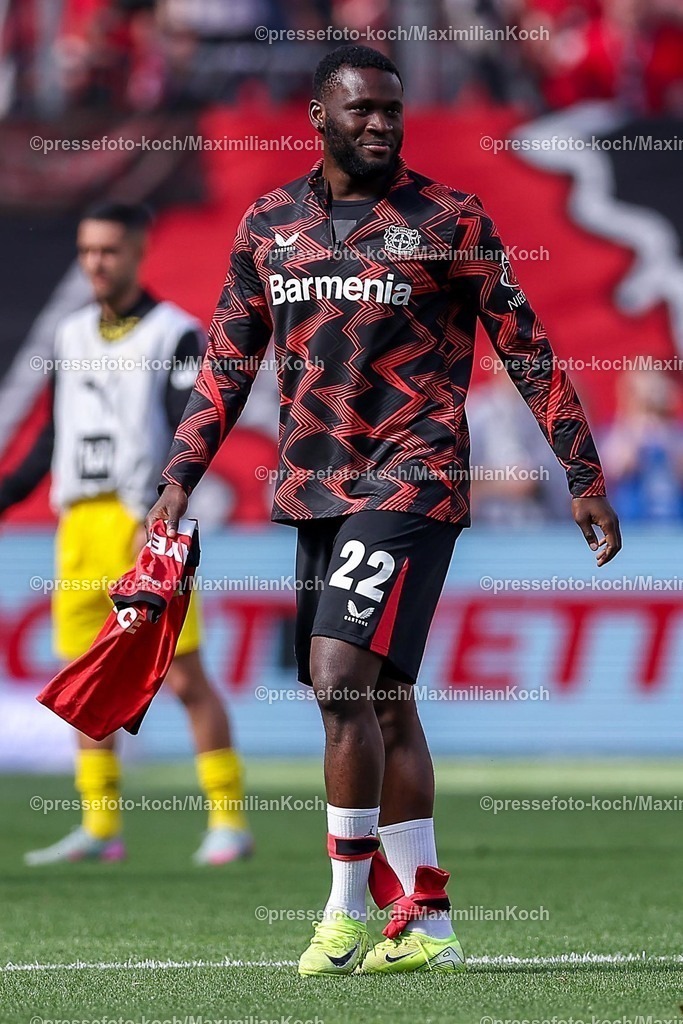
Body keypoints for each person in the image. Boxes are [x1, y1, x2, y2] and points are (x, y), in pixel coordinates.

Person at [146, 45, 622, 976]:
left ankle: (344, 910)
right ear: (318, 117)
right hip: (312, 487)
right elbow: (227, 364)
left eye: (392, 112)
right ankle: (430, 922)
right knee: (382, 701)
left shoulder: (448, 218)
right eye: (361, 110)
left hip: (414, 477)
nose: (380, 125)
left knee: (336, 679)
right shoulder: (270, 222)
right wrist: (178, 474)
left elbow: (527, 348)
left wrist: (582, 471)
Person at [0, 201, 252, 867]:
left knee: (182, 674)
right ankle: (99, 826)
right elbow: (49, 442)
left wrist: (173, 500)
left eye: (109, 250)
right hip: (78, 523)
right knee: (83, 679)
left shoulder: (173, 333)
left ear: (139, 250)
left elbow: (187, 428)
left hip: (145, 523)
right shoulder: (71, 334)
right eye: (87, 251)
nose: (95, 263)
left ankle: (228, 820)